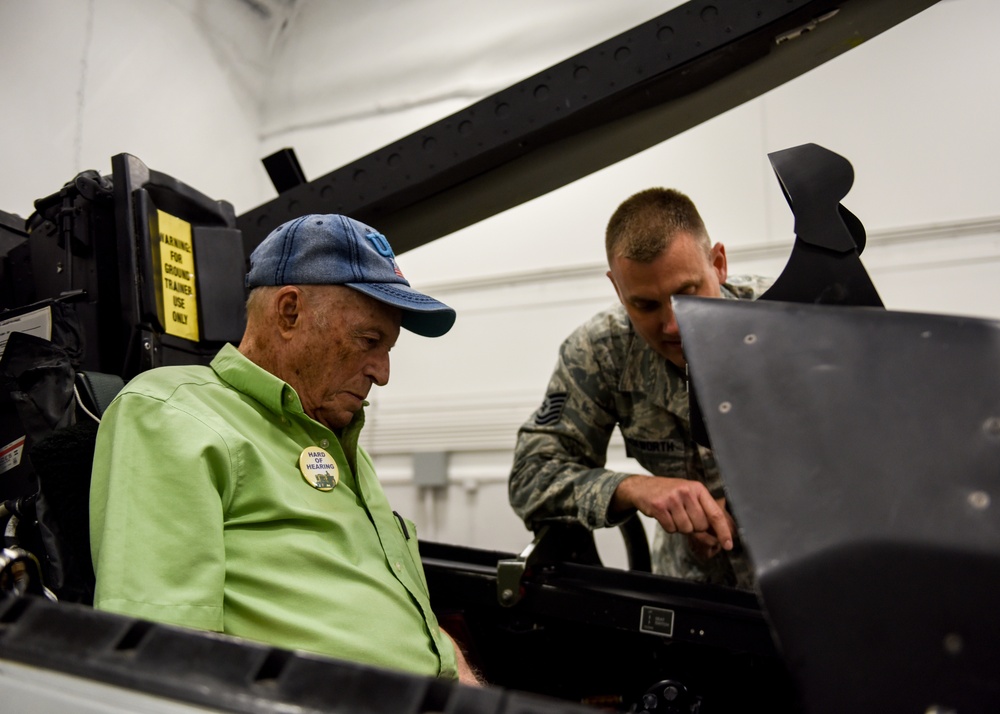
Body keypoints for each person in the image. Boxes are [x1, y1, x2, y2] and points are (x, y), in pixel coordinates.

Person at [90, 214, 481, 684]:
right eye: (369, 341)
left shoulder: (338, 441)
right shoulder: (172, 413)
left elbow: (392, 611)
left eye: (389, 349)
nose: (382, 372)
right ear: (289, 311)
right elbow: (162, 656)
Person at [508, 188, 770, 589]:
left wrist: (741, 507)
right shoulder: (602, 352)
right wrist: (633, 488)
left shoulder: (785, 322)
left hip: (808, 585)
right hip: (690, 592)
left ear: (718, 264)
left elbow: (870, 452)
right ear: (617, 289)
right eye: (646, 305)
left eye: (687, 293)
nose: (672, 326)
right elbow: (531, 475)